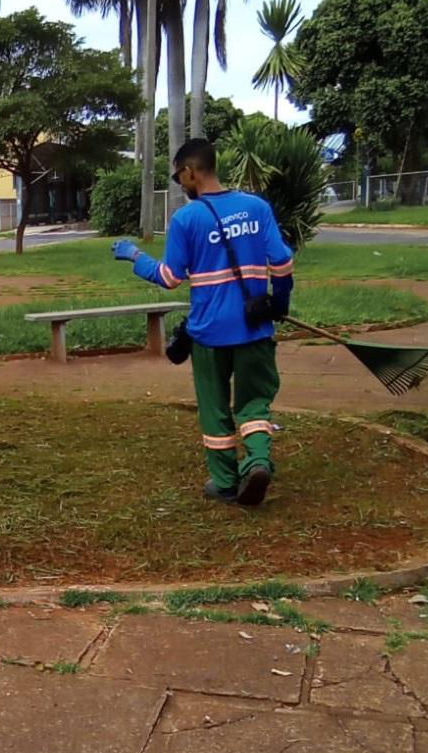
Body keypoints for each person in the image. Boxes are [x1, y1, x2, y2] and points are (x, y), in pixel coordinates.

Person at [111, 138, 294, 506]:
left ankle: (225, 481)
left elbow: (168, 276)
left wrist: (134, 256)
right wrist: (279, 304)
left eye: (180, 178)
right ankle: (257, 461)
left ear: (190, 172)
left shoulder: (186, 219)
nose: (181, 185)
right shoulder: (256, 208)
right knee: (254, 402)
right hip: (255, 327)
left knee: (214, 407)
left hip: (209, 333)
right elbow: (283, 263)